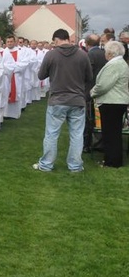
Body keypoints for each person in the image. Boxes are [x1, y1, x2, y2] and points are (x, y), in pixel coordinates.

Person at [33, 29, 93, 173]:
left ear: (56, 39)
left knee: (52, 134)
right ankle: (75, 166)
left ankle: (46, 164)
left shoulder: (51, 54)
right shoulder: (82, 55)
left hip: (57, 100)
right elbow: (89, 77)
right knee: (77, 135)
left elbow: (41, 75)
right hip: (77, 99)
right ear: (68, 38)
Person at [90, 41, 129, 168]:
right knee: (113, 133)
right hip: (116, 102)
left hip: (112, 102)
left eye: (106, 51)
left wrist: (92, 92)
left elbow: (104, 85)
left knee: (110, 133)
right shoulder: (120, 63)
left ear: (111, 53)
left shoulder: (114, 64)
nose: (105, 54)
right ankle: (112, 159)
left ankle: (112, 161)